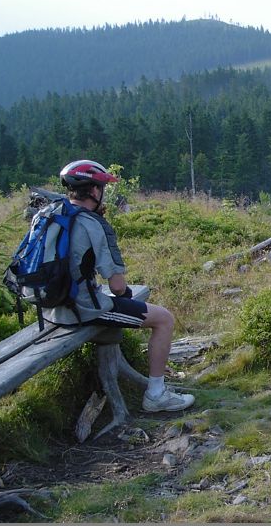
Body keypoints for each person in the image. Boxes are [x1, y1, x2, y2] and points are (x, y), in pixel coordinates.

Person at [46, 159, 195, 413]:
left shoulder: (50, 214)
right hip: (81, 309)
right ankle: (156, 395)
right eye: (101, 189)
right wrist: (126, 297)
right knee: (164, 319)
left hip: (50, 308)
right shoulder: (92, 224)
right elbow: (116, 286)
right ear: (94, 191)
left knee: (130, 308)